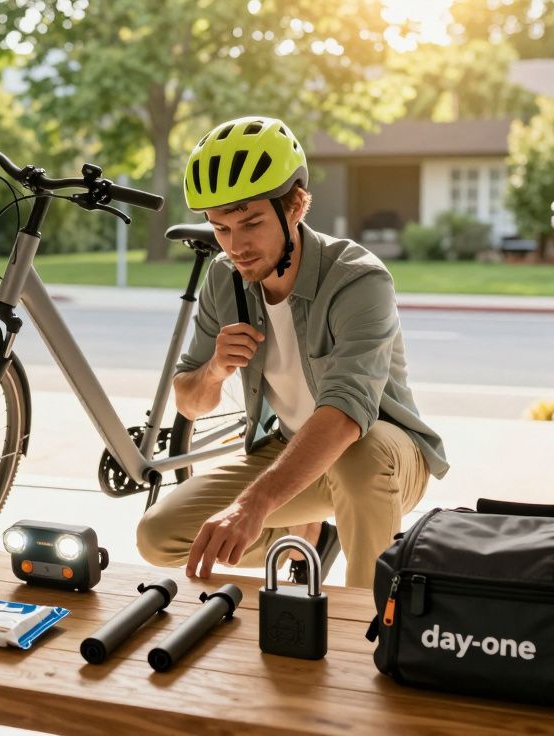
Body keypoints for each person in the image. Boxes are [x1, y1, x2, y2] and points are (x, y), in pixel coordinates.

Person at [135, 115, 449, 588]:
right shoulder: (223, 277)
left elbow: (345, 414)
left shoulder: (358, 279)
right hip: (288, 450)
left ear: (296, 205)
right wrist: (215, 369)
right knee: (158, 536)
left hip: (383, 454)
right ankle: (302, 537)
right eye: (221, 228)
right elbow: (188, 402)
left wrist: (253, 504)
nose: (236, 246)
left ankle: (369, 619)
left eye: (251, 223)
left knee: (359, 461)